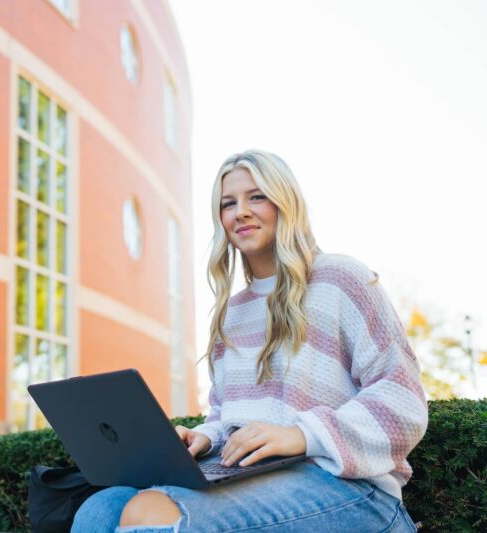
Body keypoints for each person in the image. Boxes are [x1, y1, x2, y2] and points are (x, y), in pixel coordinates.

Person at [71, 149, 428, 532]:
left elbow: (402, 400)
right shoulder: (232, 313)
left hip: (347, 486)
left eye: (256, 196)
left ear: (285, 202)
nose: (240, 211)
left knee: (151, 512)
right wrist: (203, 438)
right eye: (228, 203)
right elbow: (225, 415)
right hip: (252, 476)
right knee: (101, 509)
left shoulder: (341, 280)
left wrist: (302, 434)